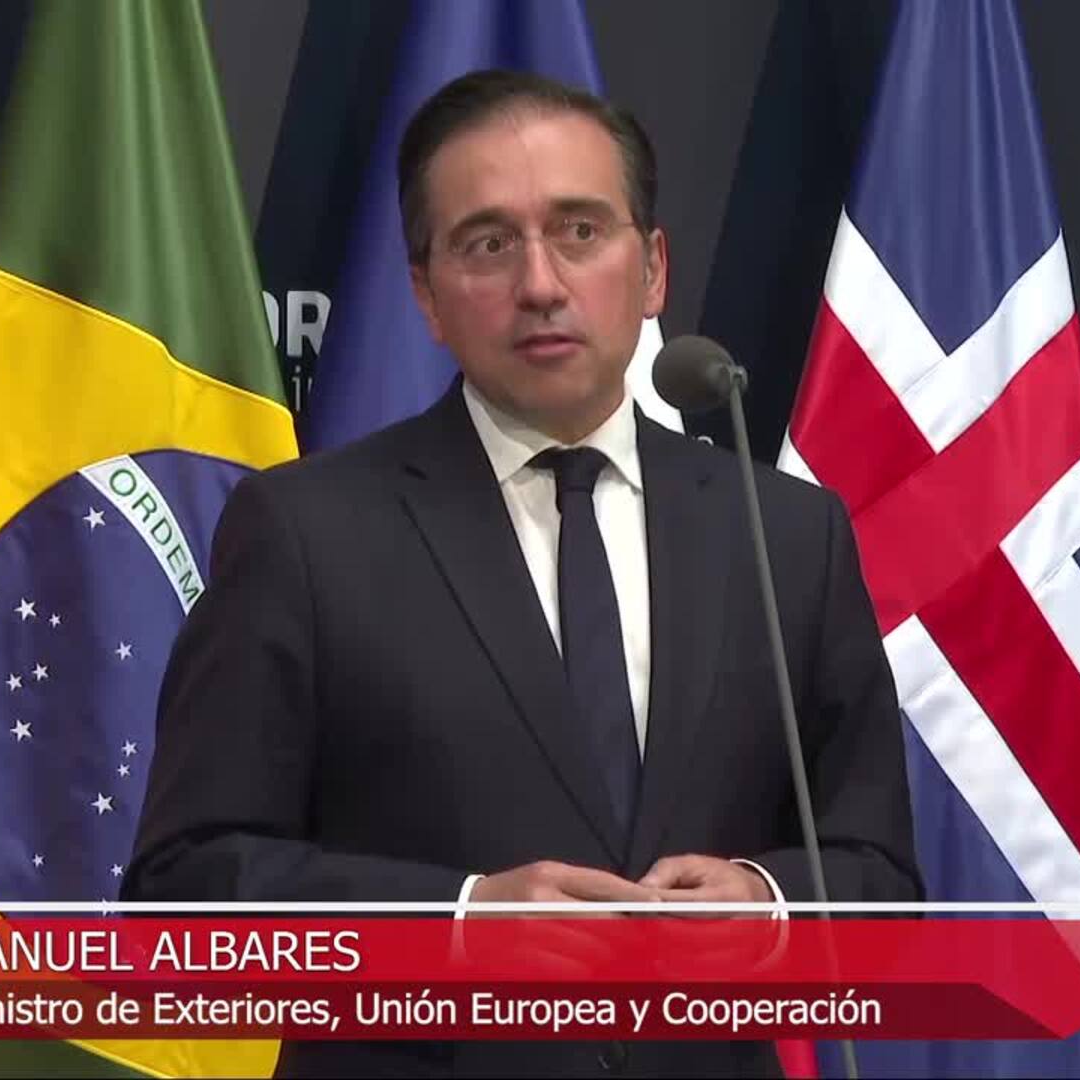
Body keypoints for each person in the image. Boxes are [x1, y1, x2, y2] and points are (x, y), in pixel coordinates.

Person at [126, 68, 921, 1078]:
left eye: (581, 231)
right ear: (426, 296)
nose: (541, 284)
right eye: (488, 244)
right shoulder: (306, 531)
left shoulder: (787, 536)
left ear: (653, 270)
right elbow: (183, 898)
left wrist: (769, 905)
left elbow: (880, 878)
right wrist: (455, 924)